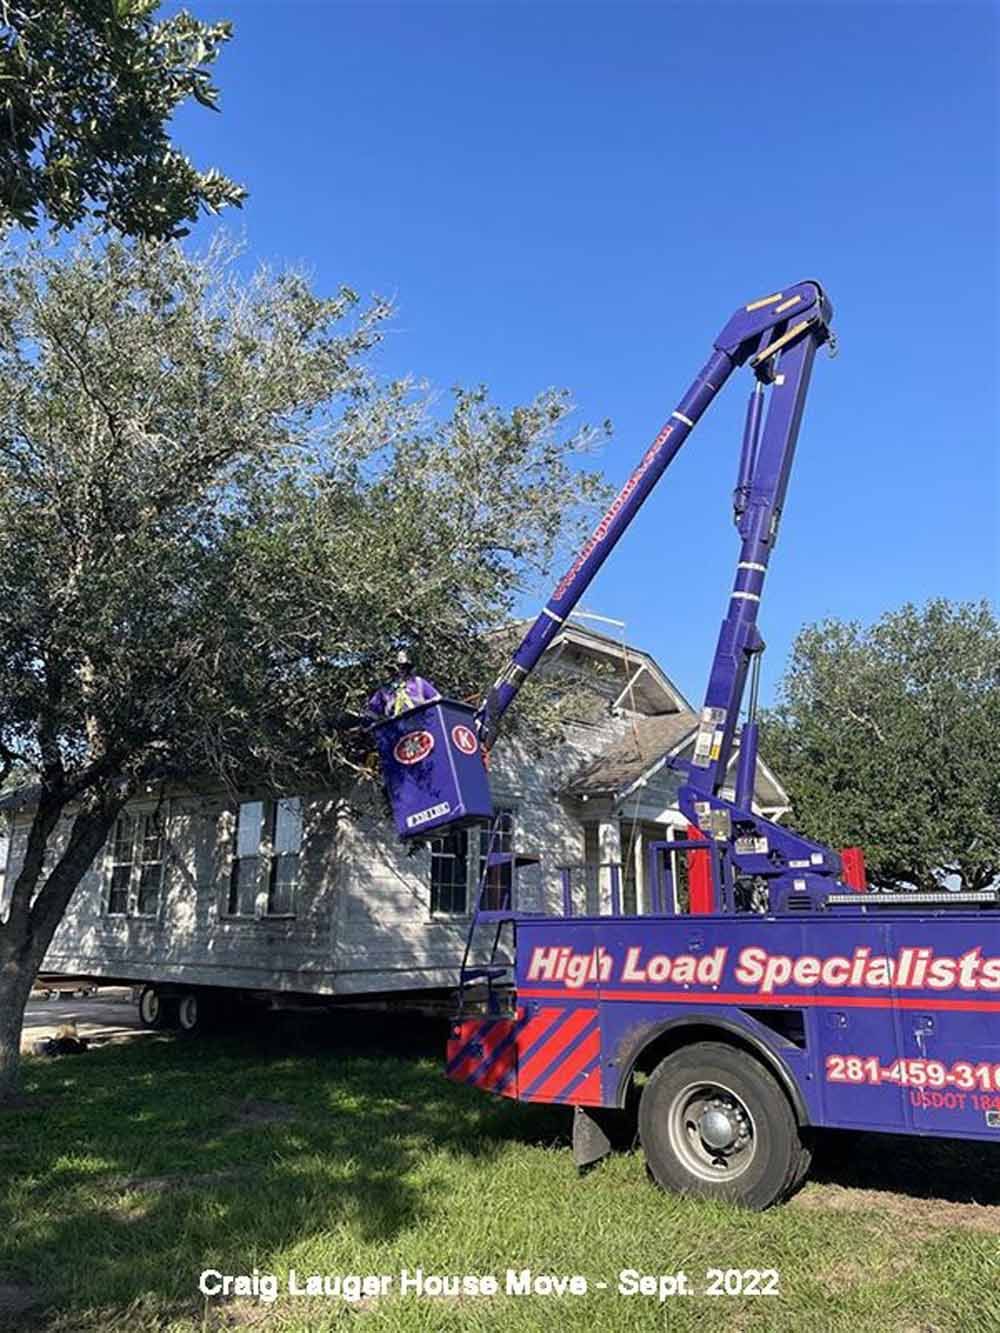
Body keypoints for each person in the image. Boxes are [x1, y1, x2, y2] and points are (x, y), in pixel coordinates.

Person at [367, 649, 440, 718]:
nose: (399, 671)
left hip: (421, 722)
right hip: (398, 725)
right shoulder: (384, 691)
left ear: (407, 668)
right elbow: (372, 712)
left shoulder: (417, 682)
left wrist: (424, 705)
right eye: (395, 668)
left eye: (403, 667)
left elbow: (437, 698)